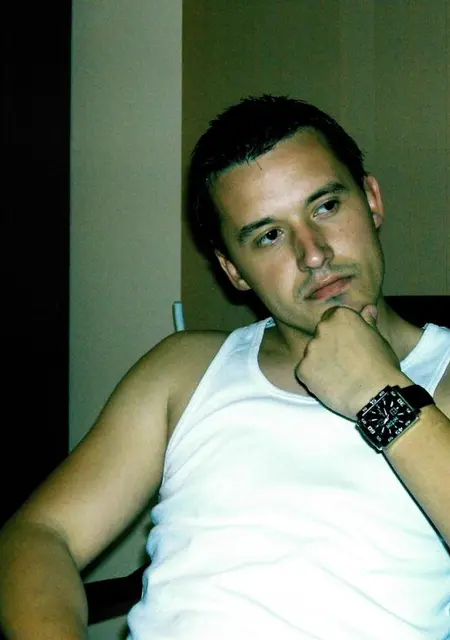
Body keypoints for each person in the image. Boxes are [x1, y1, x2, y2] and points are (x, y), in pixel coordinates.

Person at [0, 95, 449, 640]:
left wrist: (380, 394)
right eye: (269, 235)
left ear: (372, 200)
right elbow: (40, 534)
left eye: (326, 207)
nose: (313, 253)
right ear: (233, 269)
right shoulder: (183, 371)